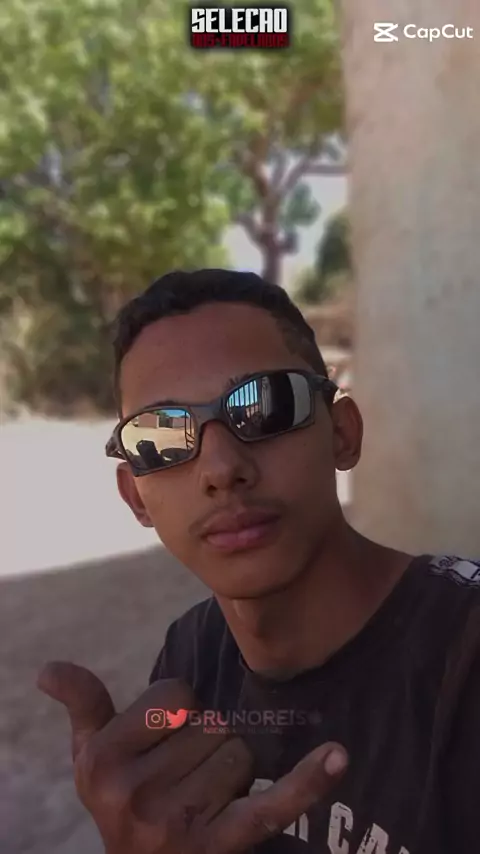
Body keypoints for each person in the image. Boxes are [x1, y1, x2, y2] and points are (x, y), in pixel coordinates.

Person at [37, 269, 480, 854]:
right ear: (135, 497)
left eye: (266, 406)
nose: (221, 469)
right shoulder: (190, 658)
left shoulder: (463, 662)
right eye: (160, 438)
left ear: (342, 433)